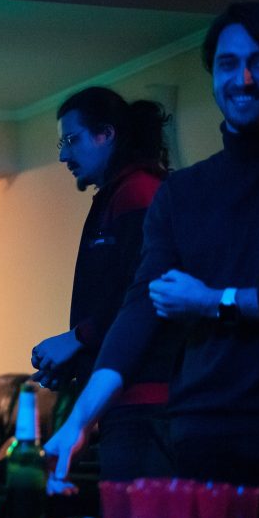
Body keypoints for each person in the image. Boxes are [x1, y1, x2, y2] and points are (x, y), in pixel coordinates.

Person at [45, 2, 259, 518]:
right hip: (204, 436)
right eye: (228, 64)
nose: (243, 78)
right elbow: (140, 310)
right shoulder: (183, 193)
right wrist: (79, 421)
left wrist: (218, 302)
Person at [32, 86, 177, 481]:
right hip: (124, 400)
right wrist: (79, 354)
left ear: (106, 134)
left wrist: (78, 338)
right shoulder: (118, 194)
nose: (64, 155)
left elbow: (143, 295)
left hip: (144, 401)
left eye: (72, 140)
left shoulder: (139, 192)